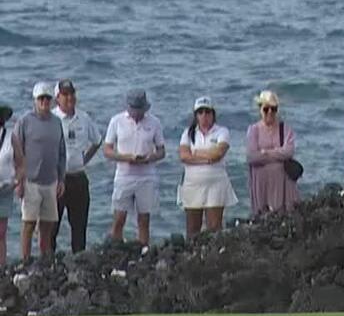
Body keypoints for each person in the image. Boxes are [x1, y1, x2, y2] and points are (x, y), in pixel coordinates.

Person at [11, 82, 67, 263]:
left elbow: (61, 153)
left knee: (48, 225)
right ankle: (25, 260)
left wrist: (61, 179)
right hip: (30, 182)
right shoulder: (24, 122)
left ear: (52, 101)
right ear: (35, 100)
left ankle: (45, 260)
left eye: (47, 98)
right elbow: (16, 153)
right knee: (28, 224)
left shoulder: (57, 122)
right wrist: (19, 182)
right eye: (41, 98)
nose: (44, 102)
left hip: (51, 182)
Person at [101, 89, 165, 247]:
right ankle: (116, 248)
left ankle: (143, 249)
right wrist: (125, 158)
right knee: (119, 217)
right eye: (134, 110)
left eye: (140, 110)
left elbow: (162, 151)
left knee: (144, 219)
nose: (137, 114)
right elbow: (107, 150)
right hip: (124, 175)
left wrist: (150, 158)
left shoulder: (154, 122)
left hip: (146, 176)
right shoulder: (116, 121)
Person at [176, 97, 238, 239]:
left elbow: (218, 154)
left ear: (213, 114)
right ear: (196, 115)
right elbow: (184, 156)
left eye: (207, 112)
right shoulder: (188, 133)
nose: (204, 116)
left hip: (215, 184)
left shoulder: (222, 132)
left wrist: (196, 153)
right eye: (200, 112)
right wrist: (207, 158)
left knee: (214, 226)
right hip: (192, 184)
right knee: (192, 227)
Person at [52, 79, 101, 254]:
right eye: (65, 94)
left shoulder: (84, 117)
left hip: (78, 177)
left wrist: (85, 159)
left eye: (72, 93)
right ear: (57, 97)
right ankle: (49, 264)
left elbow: (97, 141)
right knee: (51, 228)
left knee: (79, 227)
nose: (70, 97)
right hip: (57, 179)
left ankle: (79, 262)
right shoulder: (52, 118)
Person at [245, 90, 299, 216]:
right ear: (260, 109)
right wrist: (277, 154)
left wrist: (265, 153)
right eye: (266, 109)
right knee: (262, 215)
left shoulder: (284, 128)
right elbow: (252, 156)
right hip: (261, 183)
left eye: (273, 109)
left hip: (283, 183)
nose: (270, 112)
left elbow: (289, 151)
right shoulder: (254, 130)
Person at [0, 104, 14, 264]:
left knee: (1, 232)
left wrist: (17, 181)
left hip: (5, 188)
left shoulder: (11, 137)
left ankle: (1, 268)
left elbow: (21, 162)